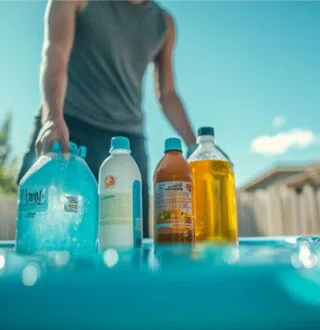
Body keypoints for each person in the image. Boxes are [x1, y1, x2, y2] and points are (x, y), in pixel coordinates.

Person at [17, 0, 196, 238]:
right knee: (42, 230)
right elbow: (55, 52)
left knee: (130, 243)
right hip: (67, 128)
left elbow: (167, 93)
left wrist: (196, 147)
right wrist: (52, 118)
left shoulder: (164, 24)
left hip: (127, 144)